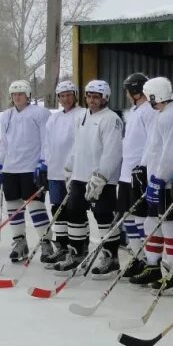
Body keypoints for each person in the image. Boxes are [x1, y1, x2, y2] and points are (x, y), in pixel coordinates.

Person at [54, 80, 123, 275]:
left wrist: (101, 176)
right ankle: (77, 253)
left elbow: (113, 152)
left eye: (96, 97)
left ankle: (111, 258)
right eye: (89, 96)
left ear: (105, 98)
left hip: (102, 179)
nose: (91, 100)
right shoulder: (82, 117)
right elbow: (78, 146)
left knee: (103, 216)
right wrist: (69, 168)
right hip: (80, 176)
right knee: (74, 214)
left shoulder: (111, 119)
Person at [134, 76, 173, 288]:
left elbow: (172, 152)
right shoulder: (165, 113)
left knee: (170, 225)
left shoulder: (171, 116)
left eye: (149, 96)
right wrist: (143, 166)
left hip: (167, 182)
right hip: (157, 179)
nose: (148, 101)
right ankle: (154, 266)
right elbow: (154, 147)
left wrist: (158, 179)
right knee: (152, 223)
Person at [0, 80, 52, 262]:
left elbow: (46, 141)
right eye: (14, 94)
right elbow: (4, 143)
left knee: (36, 207)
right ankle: (20, 243)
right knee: (13, 208)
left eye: (21, 94)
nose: (17, 97)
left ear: (28, 95)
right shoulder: (6, 116)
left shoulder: (40, 113)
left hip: (31, 168)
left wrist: (43, 163)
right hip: (11, 169)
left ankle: (46, 243)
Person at [40, 80, 86, 268]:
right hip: (55, 172)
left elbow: (81, 143)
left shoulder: (82, 114)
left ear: (75, 95)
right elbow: (47, 143)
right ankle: (63, 247)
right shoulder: (54, 118)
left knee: (75, 210)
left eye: (69, 95)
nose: (66, 99)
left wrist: (73, 166)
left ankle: (79, 248)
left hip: (74, 173)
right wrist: (44, 164)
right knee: (57, 209)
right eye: (62, 96)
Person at [118, 72, 156, 279]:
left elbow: (152, 142)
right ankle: (137, 257)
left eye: (127, 90)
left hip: (139, 174)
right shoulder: (134, 111)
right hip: (126, 174)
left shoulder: (149, 111)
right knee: (128, 217)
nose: (125, 94)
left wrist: (144, 167)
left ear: (135, 91)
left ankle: (150, 262)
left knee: (141, 219)